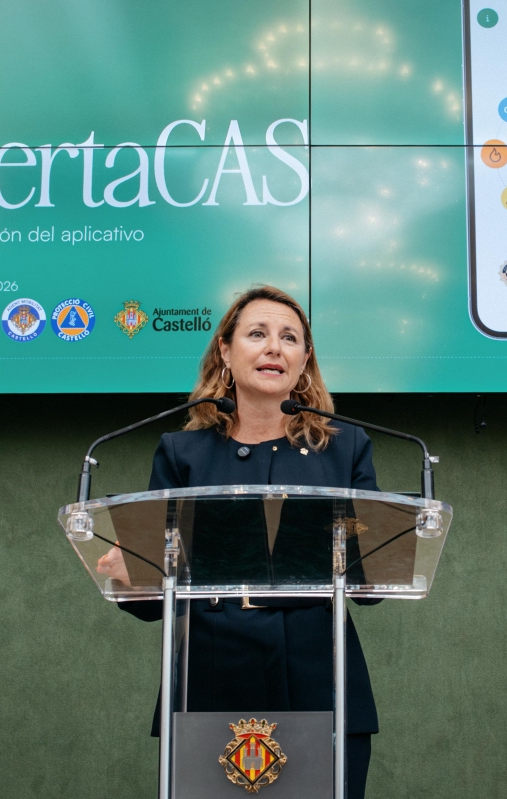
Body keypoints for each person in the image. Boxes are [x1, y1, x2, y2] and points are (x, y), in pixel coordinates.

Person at [98, 285, 381, 798]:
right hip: (209, 675)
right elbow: (153, 599)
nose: (275, 346)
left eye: (290, 338)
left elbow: (373, 581)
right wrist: (132, 574)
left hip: (321, 679)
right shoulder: (183, 453)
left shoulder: (346, 449)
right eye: (258, 333)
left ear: (304, 361)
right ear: (226, 352)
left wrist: (380, 553)